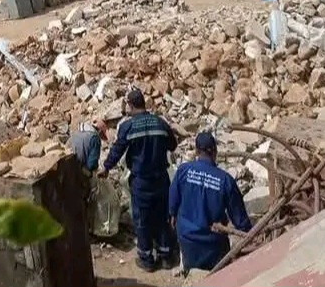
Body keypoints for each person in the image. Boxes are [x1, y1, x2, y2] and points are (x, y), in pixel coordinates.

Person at [99, 87, 178, 272]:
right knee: (162, 217)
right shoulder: (160, 123)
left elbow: (117, 150)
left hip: (141, 182)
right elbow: (172, 145)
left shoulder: (128, 126)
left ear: (131, 105)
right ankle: (166, 257)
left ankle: (146, 259)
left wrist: (106, 167)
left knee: (142, 220)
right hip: (161, 180)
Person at [169, 132, 252, 272]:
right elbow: (240, 220)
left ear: (196, 151)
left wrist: (174, 219)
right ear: (215, 151)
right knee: (218, 272)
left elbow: (172, 204)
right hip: (212, 243)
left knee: (193, 272)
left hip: (186, 238)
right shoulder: (225, 180)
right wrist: (250, 235)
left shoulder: (183, 170)